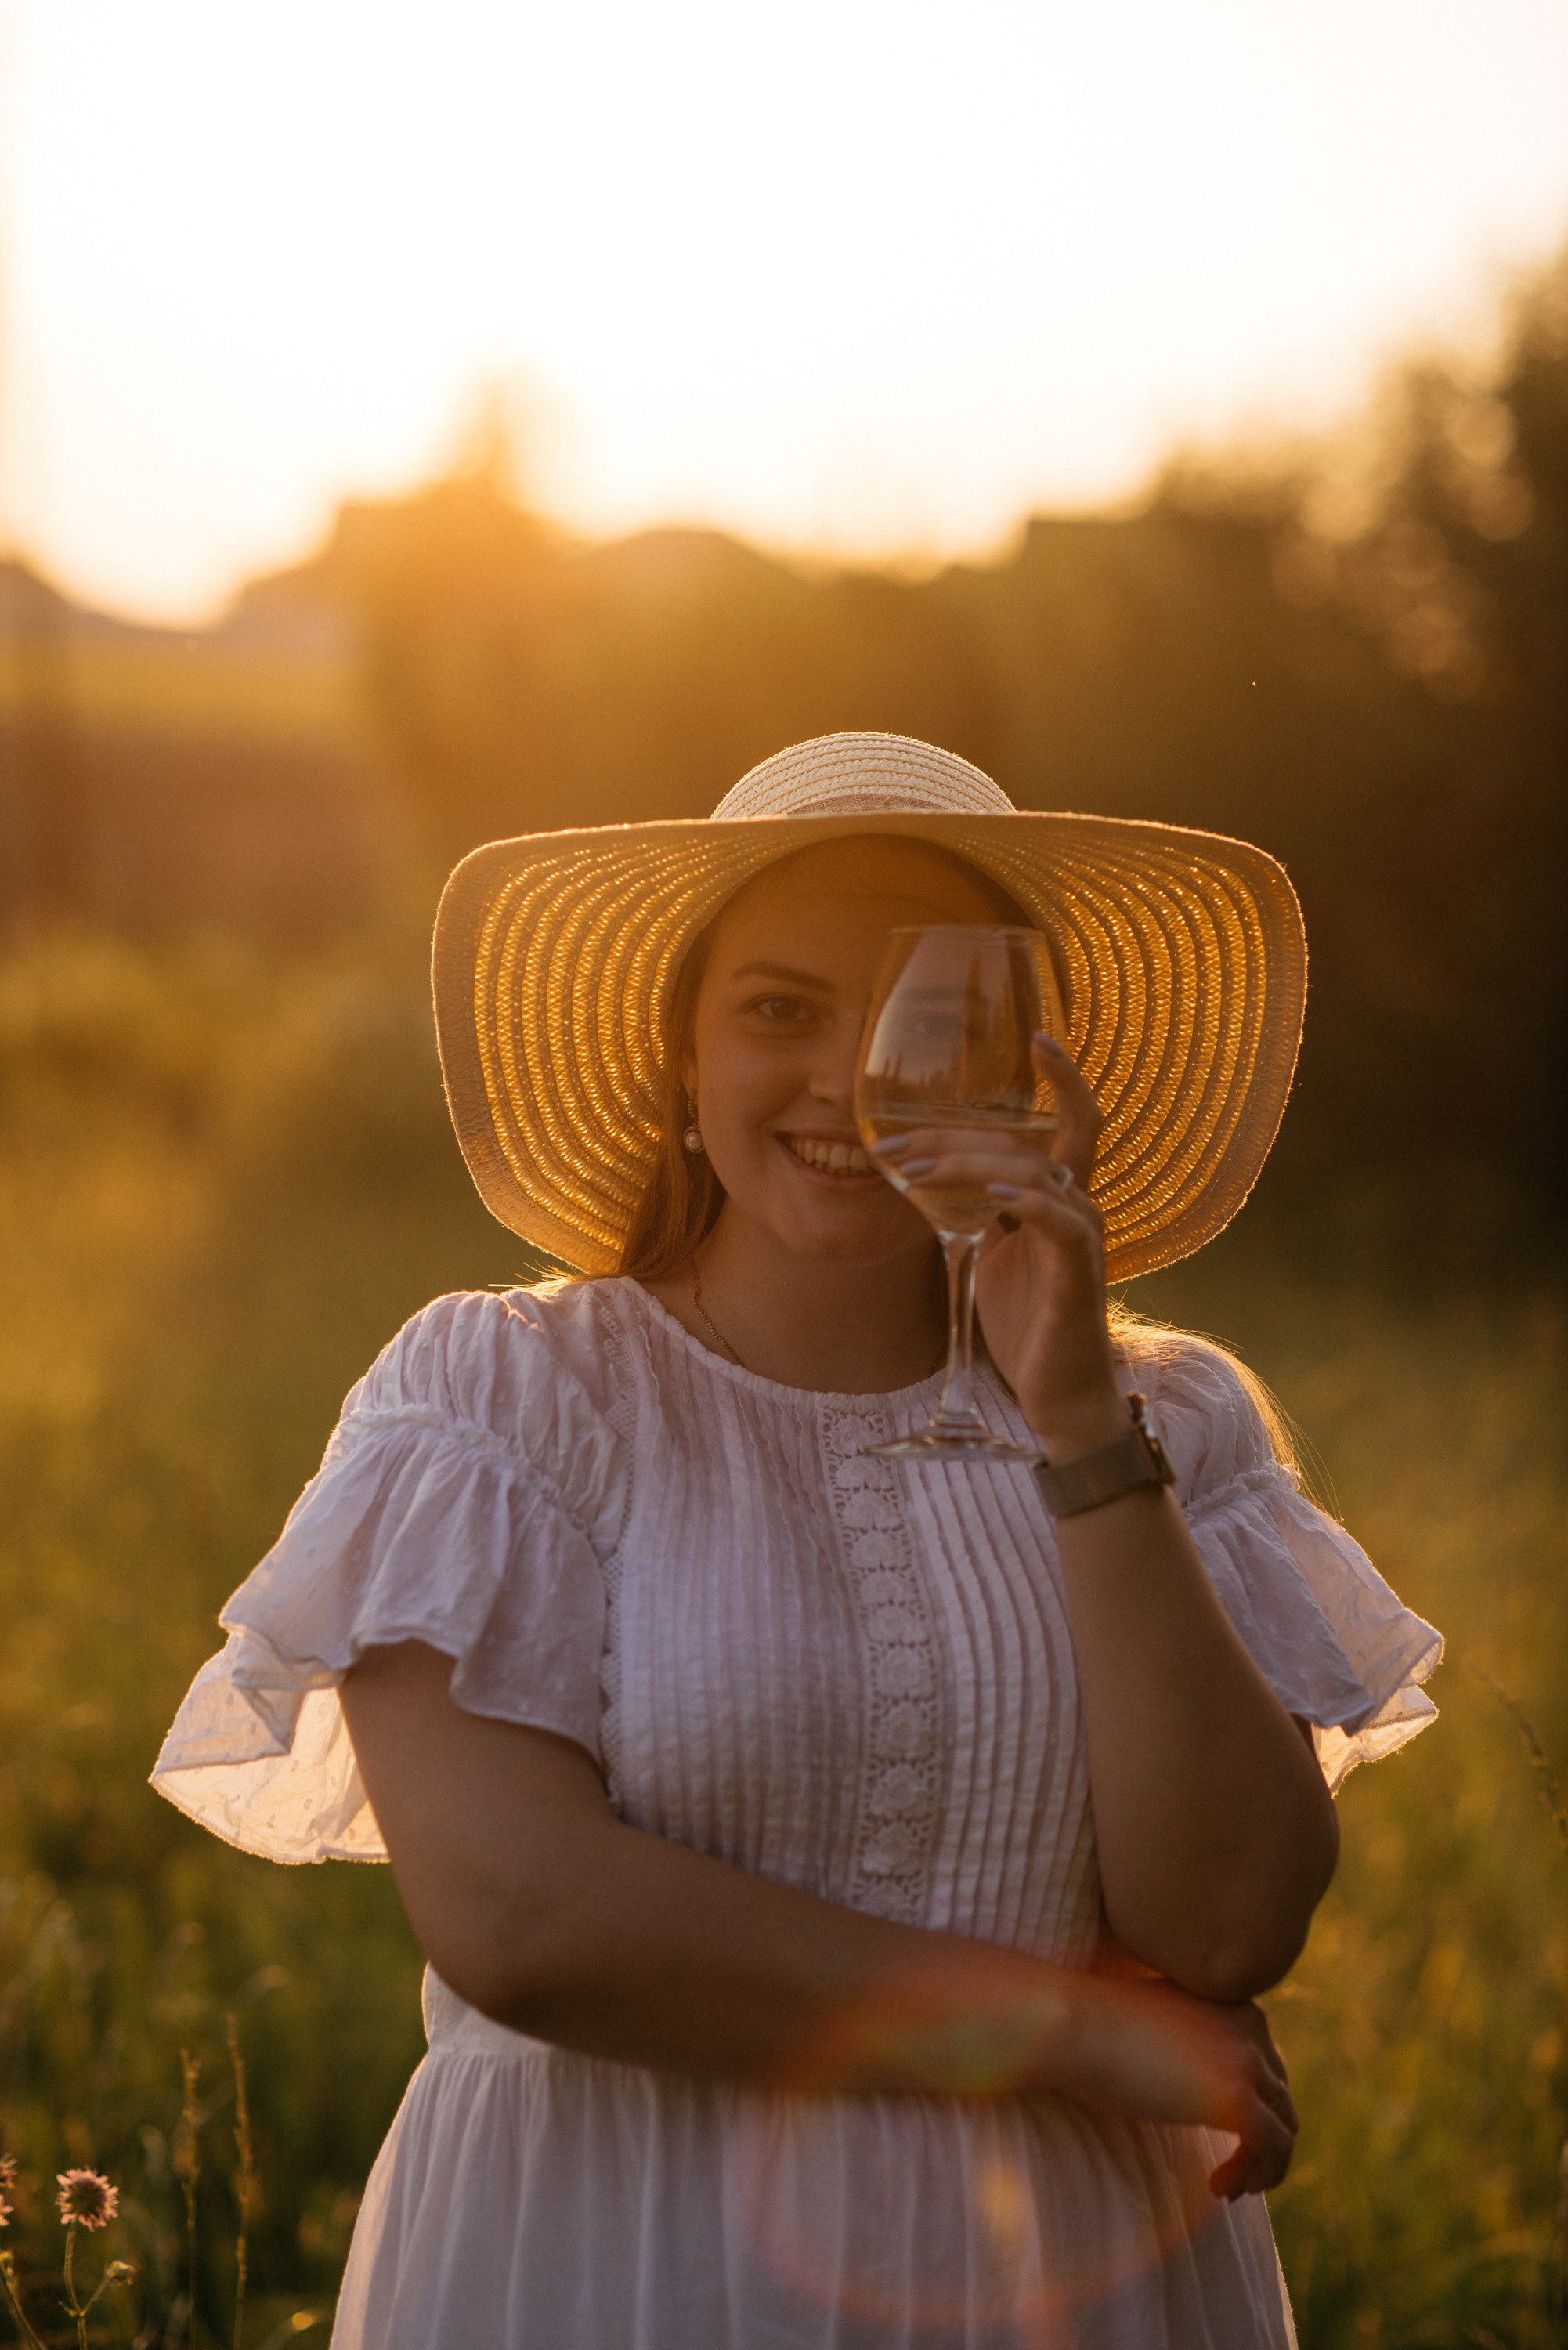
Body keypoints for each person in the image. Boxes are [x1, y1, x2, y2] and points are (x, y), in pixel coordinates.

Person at [154, 732, 1442, 2348]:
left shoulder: (1164, 1416)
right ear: (681, 1062)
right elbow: (519, 1921)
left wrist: (1074, 1424)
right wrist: (1066, 2035)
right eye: (780, 1011)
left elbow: (1230, 1923)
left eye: (935, 1018)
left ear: (1029, 1072)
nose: (851, 1079)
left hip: (1062, 2275)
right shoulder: (504, 1396)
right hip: (621, 2256)